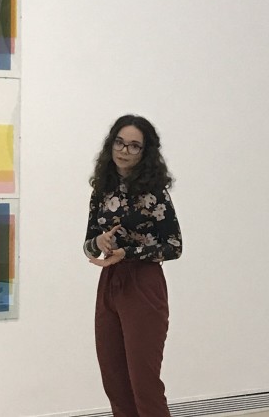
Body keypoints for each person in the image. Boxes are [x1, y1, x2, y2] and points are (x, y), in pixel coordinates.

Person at [83, 115, 182, 417]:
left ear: (145, 152)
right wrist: (98, 242)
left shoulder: (154, 194)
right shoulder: (102, 190)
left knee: (144, 384)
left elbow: (174, 246)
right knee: (115, 383)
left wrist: (128, 252)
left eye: (134, 146)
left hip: (144, 284)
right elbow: (87, 244)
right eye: (119, 142)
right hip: (109, 284)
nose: (124, 150)